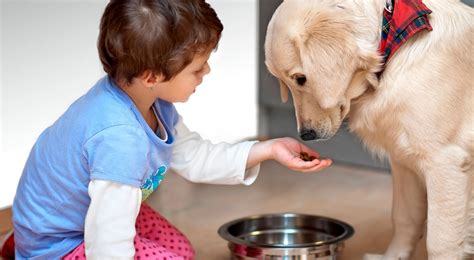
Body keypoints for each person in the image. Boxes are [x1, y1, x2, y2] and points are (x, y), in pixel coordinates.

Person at [11, 0, 332, 259]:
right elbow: (107, 239)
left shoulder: (148, 101)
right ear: (152, 76)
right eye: (196, 68)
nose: (206, 71)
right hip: (57, 244)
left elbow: (193, 157)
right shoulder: (119, 137)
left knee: (181, 250)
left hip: (85, 218)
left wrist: (268, 149)